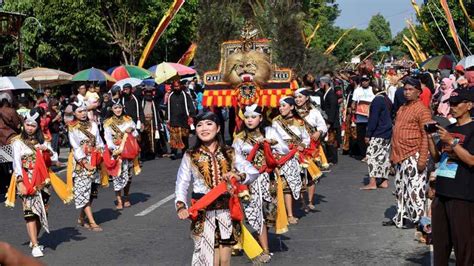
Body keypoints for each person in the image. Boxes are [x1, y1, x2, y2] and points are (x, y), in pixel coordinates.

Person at [175, 112, 259, 266]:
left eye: (208, 124)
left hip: (226, 209)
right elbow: (182, 183)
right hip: (203, 211)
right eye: (199, 125)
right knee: (209, 258)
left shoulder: (230, 152)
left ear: (218, 128)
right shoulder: (190, 155)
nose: (204, 128)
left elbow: (253, 172)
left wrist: (238, 176)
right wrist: (181, 205)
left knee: (225, 260)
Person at [232, 104, 289, 262]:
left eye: (253, 117)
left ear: (260, 118)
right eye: (247, 117)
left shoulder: (269, 131)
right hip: (250, 181)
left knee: (270, 213)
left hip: (267, 179)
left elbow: (285, 149)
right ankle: (265, 249)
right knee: (257, 214)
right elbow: (233, 159)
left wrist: (272, 143)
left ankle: (260, 237)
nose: (250, 120)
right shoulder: (239, 138)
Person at [427, 89, 474, 265]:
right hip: (442, 191)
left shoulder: (472, 129)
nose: (452, 107)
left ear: (469, 105)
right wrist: (430, 137)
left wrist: (452, 142)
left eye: (457, 104)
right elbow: (438, 157)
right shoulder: (449, 128)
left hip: (462, 194)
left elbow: (471, 160)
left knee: (464, 246)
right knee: (440, 244)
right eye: (450, 104)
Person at [383, 77, 431, 229]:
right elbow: (396, 132)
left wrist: (422, 159)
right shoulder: (402, 108)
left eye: (411, 90)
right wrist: (392, 155)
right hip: (400, 154)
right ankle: (402, 217)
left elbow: (426, 136)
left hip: (414, 153)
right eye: (405, 89)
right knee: (400, 189)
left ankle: (419, 221)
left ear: (418, 92)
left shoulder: (423, 110)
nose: (407, 92)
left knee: (415, 190)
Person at [9, 108, 56, 257]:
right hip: (26, 179)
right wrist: (20, 182)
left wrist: (46, 151)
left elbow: (54, 158)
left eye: (33, 125)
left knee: (43, 212)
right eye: (28, 124)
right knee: (30, 213)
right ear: (24, 124)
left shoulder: (43, 141)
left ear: (37, 127)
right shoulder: (17, 142)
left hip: (43, 180)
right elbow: (16, 163)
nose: (30, 128)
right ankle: (35, 244)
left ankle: (33, 237)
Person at [67, 100, 105, 232]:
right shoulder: (72, 127)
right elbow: (75, 147)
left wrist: (102, 152)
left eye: (84, 111)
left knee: (91, 192)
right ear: (74, 113)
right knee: (83, 190)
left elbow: (99, 141)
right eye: (79, 111)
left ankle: (81, 218)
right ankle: (92, 221)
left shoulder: (93, 124)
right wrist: (84, 162)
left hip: (94, 160)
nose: (83, 114)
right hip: (81, 163)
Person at [272, 97, 310, 224]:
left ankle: (302, 204)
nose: (281, 108)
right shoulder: (275, 122)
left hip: (296, 156)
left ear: (292, 107)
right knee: (285, 185)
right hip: (281, 156)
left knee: (297, 182)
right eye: (280, 106)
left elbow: (306, 138)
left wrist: (302, 145)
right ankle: (288, 215)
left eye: (284, 105)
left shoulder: (299, 122)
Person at [294, 88, 328, 210]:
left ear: (306, 98)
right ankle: (302, 201)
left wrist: (319, 132)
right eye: (296, 97)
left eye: (300, 97)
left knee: (310, 175)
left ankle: (310, 201)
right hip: (297, 147)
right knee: (300, 174)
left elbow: (323, 126)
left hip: (312, 147)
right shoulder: (292, 112)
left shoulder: (314, 112)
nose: (298, 99)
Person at [103, 100, 140, 210]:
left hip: (128, 151)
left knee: (128, 175)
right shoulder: (108, 123)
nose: (118, 110)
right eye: (115, 108)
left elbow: (136, 134)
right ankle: (119, 200)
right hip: (116, 152)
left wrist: (132, 129)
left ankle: (126, 196)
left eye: (119, 108)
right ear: (112, 109)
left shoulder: (128, 119)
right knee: (116, 176)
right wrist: (115, 149)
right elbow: (108, 139)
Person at [361, 86, 392, 190]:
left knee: (372, 157)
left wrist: (368, 134)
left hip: (378, 132)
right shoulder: (386, 99)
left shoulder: (377, 100)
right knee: (384, 157)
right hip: (387, 131)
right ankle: (384, 181)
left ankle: (372, 182)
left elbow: (373, 119)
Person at [167, 80, 196, 159]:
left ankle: (185, 151)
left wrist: (192, 116)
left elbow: (191, 106)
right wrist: (167, 120)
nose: (177, 88)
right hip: (173, 120)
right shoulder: (170, 96)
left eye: (178, 86)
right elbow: (168, 108)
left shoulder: (185, 95)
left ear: (180, 86)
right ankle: (174, 152)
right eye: (175, 87)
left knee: (184, 137)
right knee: (174, 137)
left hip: (183, 120)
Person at [351, 75, 375, 161]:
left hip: (371, 117)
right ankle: (364, 154)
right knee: (361, 137)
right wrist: (353, 109)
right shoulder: (357, 90)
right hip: (361, 118)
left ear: (369, 81)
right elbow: (353, 102)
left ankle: (371, 154)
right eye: (363, 80)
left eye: (366, 80)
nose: (365, 82)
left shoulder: (373, 89)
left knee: (371, 136)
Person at [141, 86, 165, 159]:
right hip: (144, 122)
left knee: (154, 138)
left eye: (149, 93)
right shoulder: (142, 101)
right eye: (146, 93)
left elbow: (161, 94)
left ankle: (154, 153)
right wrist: (142, 88)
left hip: (153, 121)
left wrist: (155, 87)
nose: (148, 95)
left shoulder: (155, 101)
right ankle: (146, 154)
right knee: (145, 139)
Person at [320, 76, 340, 164]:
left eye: (321, 83)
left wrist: (329, 122)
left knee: (332, 140)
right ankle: (330, 158)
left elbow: (332, 109)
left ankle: (333, 159)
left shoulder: (331, 94)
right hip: (327, 119)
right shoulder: (326, 93)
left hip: (331, 121)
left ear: (325, 83)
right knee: (329, 140)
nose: (320, 84)